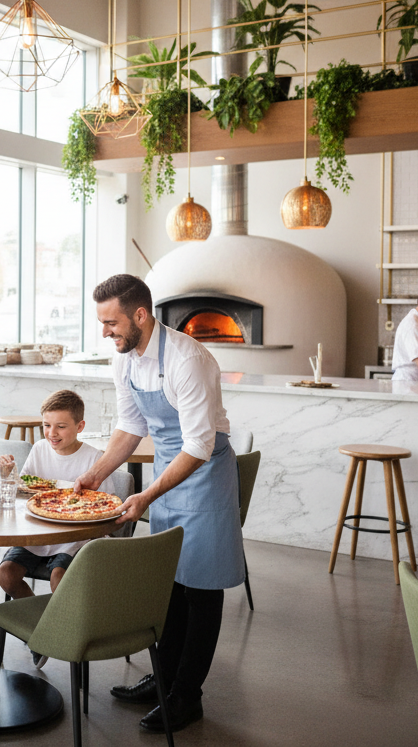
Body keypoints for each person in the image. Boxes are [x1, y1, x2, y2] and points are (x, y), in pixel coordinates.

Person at [73, 274, 245, 734]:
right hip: (171, 470)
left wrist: (147, 494)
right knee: (169, 582)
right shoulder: (125, 360)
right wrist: (96, 473)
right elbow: (131, 427)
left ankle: (187, 697)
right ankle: (163, 680)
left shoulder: (189, 360)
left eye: (111, 323)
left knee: (201, 589)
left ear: (140, 315)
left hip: (203, 474)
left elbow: (200, 445)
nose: (105, 332)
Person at [0, 389, 103, 668]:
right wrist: (9, 476)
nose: (51, 433)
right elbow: (24, 493)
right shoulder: (39, 449)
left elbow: (104, 510)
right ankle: (41, 631)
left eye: (61, 426)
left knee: (59, 577)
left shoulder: (94, 458)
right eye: (46, 425)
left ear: (80, 426)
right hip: (37, 534)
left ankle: (55, 636)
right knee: (5, 573)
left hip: (73, 538)